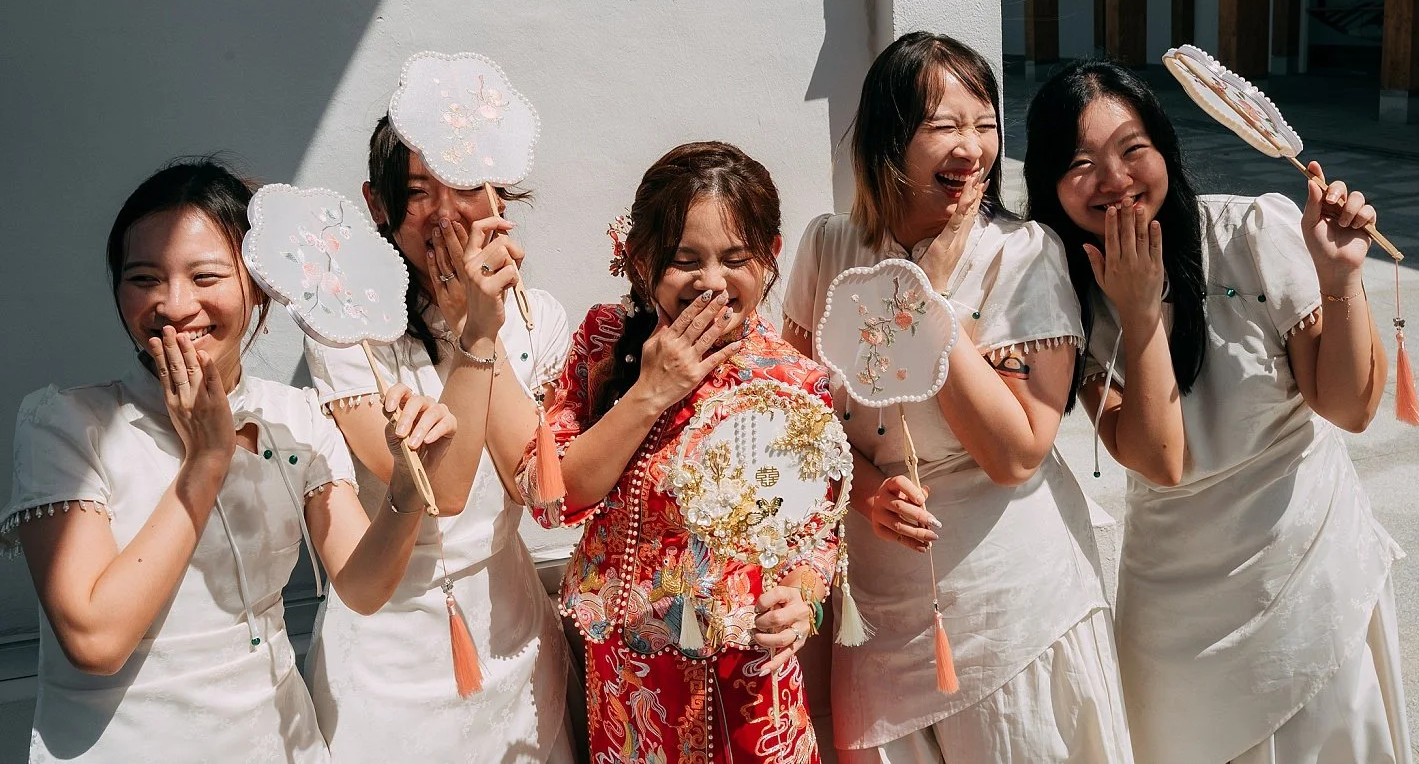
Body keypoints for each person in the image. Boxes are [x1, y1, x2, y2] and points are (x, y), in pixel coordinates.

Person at [2, 159, 455, 763]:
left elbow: (363, 586)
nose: (173, 305)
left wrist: (404, 488)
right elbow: (95, 640)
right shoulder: (65, 423)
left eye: (206, 276)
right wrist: (205, 461)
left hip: (279, 742)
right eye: (143, 278)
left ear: (258, 287)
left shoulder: (297, 417)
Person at [1024, 59, 1410, 764]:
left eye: (1132, 149)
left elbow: (1349, 408)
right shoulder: (1067, 298)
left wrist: (1339, 276)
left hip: (1306, 572)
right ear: (1049, 183)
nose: (1114, 179)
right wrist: (1140, 314)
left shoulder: (1250, 233)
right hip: (1174, 608)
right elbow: (1160, 461)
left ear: (1165, 149)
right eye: (1080, 164)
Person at [783, 32, 1132, 763]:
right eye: (945, 126)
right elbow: (798, 423)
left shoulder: (1022, 254)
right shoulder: (828, 247)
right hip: (874, 610)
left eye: (985, 125)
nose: (972, 149)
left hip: (1011, 606)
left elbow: (1015, 453)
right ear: (889, 137)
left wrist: (927, 302)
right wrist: (868, 494)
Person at [520, 141, 839, 763]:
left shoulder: (792, 380)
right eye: (684, 260)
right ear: (642, 259)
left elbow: (816, 533)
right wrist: (650, 392)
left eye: (736, 259)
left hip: (749, 670)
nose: (712, 282)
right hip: (632, 678)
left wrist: (803, 602)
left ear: (771, 255)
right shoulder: (606, 341)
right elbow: (549, 499)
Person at [301, 116, 575, 762]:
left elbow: (532, 484)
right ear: (378, 204)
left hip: (512, 631)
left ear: (498, 190)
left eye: (465, 185)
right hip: (392, 654)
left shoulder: (537, 317)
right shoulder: (345, 332)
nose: (446, 213)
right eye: (419, 191)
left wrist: (484, 326)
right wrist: (473, 335)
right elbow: (440, 493)